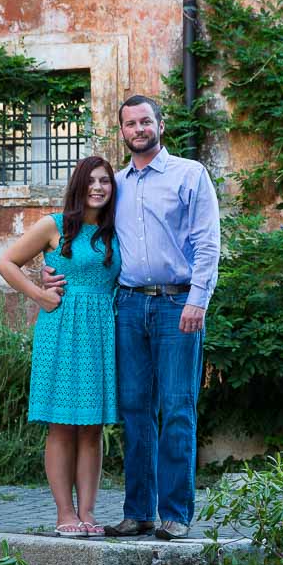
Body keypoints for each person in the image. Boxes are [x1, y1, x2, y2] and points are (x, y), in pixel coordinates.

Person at [44, 95, 220, 540]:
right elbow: (81, 236)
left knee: (177, 406)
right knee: (135, 410)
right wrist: (50, 271)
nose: (139, 129)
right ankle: (139, 511)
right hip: (128, 306)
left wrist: (198, 299)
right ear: (122, 132)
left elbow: (207, 243)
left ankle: (175, 514)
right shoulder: (116, 185)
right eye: (130, 124)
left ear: (160, 125)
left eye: (146, 121)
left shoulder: (189, 175)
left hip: (178, 305)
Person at [0, 155, 121, 538]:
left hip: (102, 330)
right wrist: (39, 293)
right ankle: (64, 513)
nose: (98, 188)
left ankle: (87, 513)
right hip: (62, 327)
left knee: (93, 428)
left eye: (105, 181)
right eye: (90, 181)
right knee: (63, 425)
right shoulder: (54, 225)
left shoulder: (116, 230)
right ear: (78, 186)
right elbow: (6, 263)